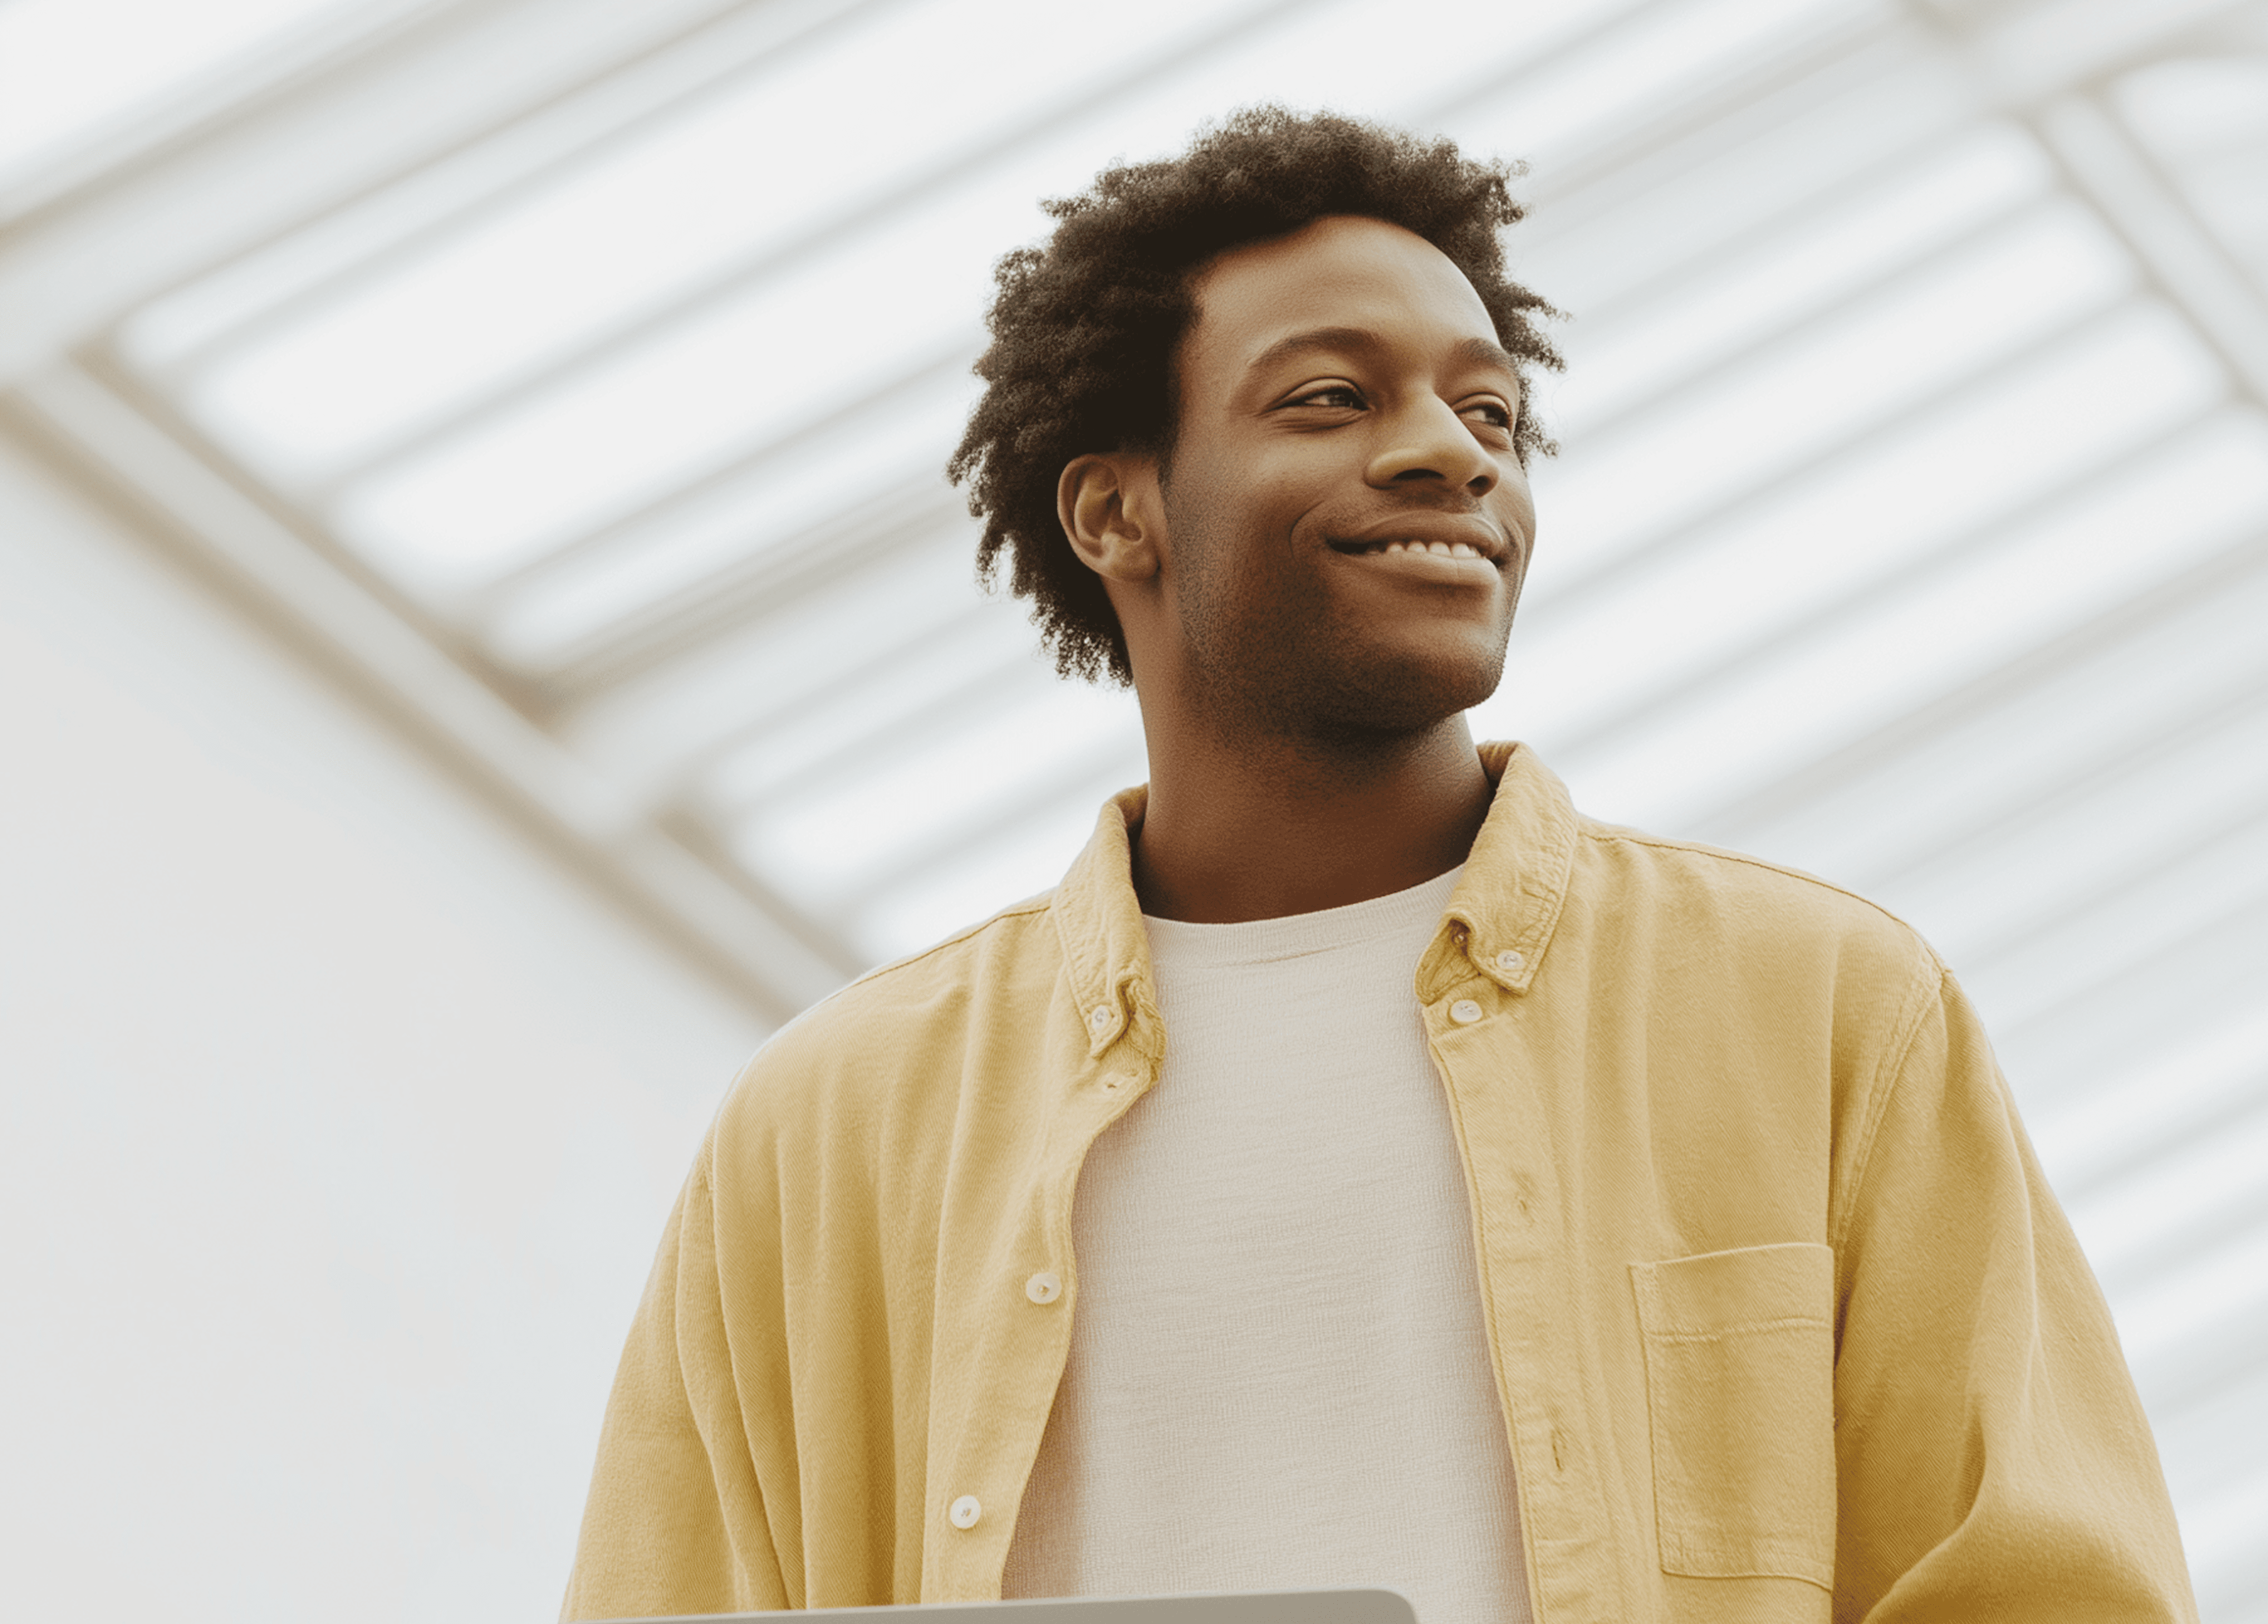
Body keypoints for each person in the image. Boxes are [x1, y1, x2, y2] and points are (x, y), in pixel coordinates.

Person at [563, 109, 2196, 1624]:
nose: (1454, 456)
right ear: (1115, 511)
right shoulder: (831, 1127)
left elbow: (2042, 1590)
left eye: (1490, 411)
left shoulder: (1824, 1011)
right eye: (1333, 397)